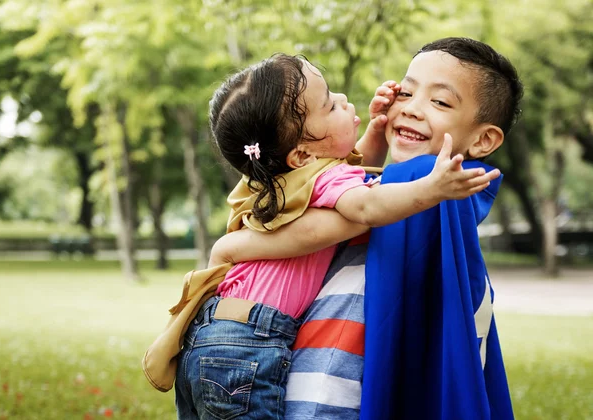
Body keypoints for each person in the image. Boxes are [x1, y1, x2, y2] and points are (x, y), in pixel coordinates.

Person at [170, 52, 499, 420]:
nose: (343, 100)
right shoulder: (329, 180)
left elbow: (361, 179)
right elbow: (366, 205)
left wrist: (375, 130)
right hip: (250, 343)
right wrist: (432, 188)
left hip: (211, 334)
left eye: (437, 100)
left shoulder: (289, 179)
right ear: (302, 153)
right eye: (329, 105)